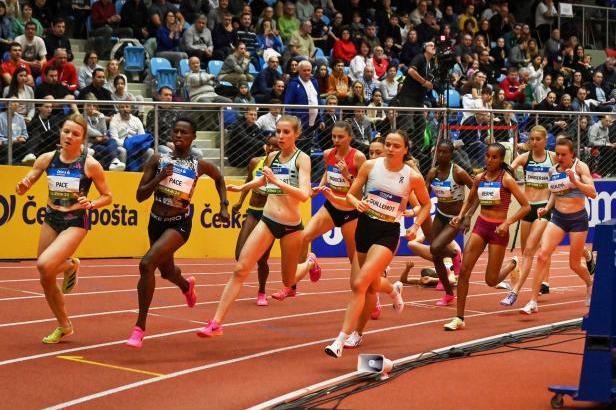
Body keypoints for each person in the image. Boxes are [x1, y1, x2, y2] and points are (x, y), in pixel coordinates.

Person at [196, 115, 311, 338]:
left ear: (297, 134)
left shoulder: (302, 159)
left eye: (286, 132)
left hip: (291, 226)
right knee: (240, 269)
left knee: (288, 281)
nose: (281, 136)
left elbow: (305, 195)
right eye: (278, 131)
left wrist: (277, 182)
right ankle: (216, 322)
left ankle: (310, 263)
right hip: (268, 220)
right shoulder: (271, 157)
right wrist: (242, 188)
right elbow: (262, 180)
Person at [324, 130, 431, 357]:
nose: (391, 149)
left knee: (360, 283)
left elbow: (426, 205)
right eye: (388, 145)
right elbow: (351, 195)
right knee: (368, 285)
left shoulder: (412, 177)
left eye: (395, 146)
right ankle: (393, 289)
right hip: (364, 227)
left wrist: (414, 226)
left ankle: (341, 340)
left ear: (405, 150)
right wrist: (357, 202)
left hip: (387, 231)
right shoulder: (370, 167)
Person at [126, 117, 229, 348]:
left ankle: (139, 328)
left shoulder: (198, 164)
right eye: (175, 132)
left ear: (193, 137)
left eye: (184, 132)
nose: (178, 136)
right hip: (155, 222)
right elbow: (140, 195)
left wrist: (224, 205)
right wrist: (159, 178)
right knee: (166, 271)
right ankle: (185, 285)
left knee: (146, 264)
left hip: (179, 225)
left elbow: (219, 178)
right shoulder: (158, 159)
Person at [14, 114, 112, 343]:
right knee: (45, 275)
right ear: (60, 133)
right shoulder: (48, 158)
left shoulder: (90, 165)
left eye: (75, 134)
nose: (69, 136)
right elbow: (30, 178)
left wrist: (93, 203)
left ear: (83, 139)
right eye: (66, 131)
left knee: (44, 264)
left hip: (76, 220)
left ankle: (70, 264)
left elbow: (108, 196)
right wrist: (23, 185)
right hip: (51, 217)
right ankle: (64, 324)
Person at [269, 121, 366, 299]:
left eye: (340, 137)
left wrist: (347, 175)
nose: (336, 140)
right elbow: (327, 173)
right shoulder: (328, 153)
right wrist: (319, 187)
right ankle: (292, 285)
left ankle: (366, 297)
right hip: (330, 207)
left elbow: (361, 189)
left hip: (351, 212)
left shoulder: (358, 157)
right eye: (333, 136)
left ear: (350, 138)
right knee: (304, 237)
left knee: (354, 259)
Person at [444, 143, 530, 331]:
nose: (490, 160)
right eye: (487, 156)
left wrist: (507, 223)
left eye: (494, 157)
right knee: (464, 271)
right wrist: (461, 216)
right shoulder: (479, 178)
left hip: (499, 230)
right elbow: (470, 199)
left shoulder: (506, 179)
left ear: (501, 160)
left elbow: (526, 206)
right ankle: (459, 318)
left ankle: (512, 264)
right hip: (481, 226)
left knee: (491, 281)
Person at [519, 136, 596, 314]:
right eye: (558, 154)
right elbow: (555, 193)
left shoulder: (580, 167)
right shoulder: (553, 170)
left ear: (572, 154)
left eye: (563, 155)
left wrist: (576, 181)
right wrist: (546, 208)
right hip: (558, 218)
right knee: (542, 256)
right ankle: (532, 301)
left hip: (577, 219)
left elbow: (593, 193)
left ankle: (590, 283)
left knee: (574, 264)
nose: (559, 158)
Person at [498, 126, 556, 306]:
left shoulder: (553, 157)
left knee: (532, 249)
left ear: (545, 140)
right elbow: (509, 170)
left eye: (538, 139)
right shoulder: (525, 157)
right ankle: (541, 281)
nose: (534, 142)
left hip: (543, 209)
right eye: (531, 139)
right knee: (527, 252)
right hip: (526, 209)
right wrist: (508, 170)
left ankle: (524, 288)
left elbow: (570, 166)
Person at [230, 134, 280, 306]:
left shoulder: (282, 169)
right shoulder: (254, 162)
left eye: (276, 147)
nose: (272, 149)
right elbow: (248, 182)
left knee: (263, 259)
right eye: (270, 146)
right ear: (265, 147)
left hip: (269, 215)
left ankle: (262, 291)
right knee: (239, 254)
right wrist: (239, 202)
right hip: (253, 211)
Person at [424, 141, 475, 306]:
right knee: (436, 255)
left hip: (455, 218)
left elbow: (477, 192)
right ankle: (448, 293)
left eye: (445, 152)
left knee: (435, 247)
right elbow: (424, 196)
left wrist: (467, 216)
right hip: (440, 215)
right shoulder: (433, 172)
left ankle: (454, 255)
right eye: (439, 152)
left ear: (451, 154)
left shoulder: (458, 172)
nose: (441, 155)